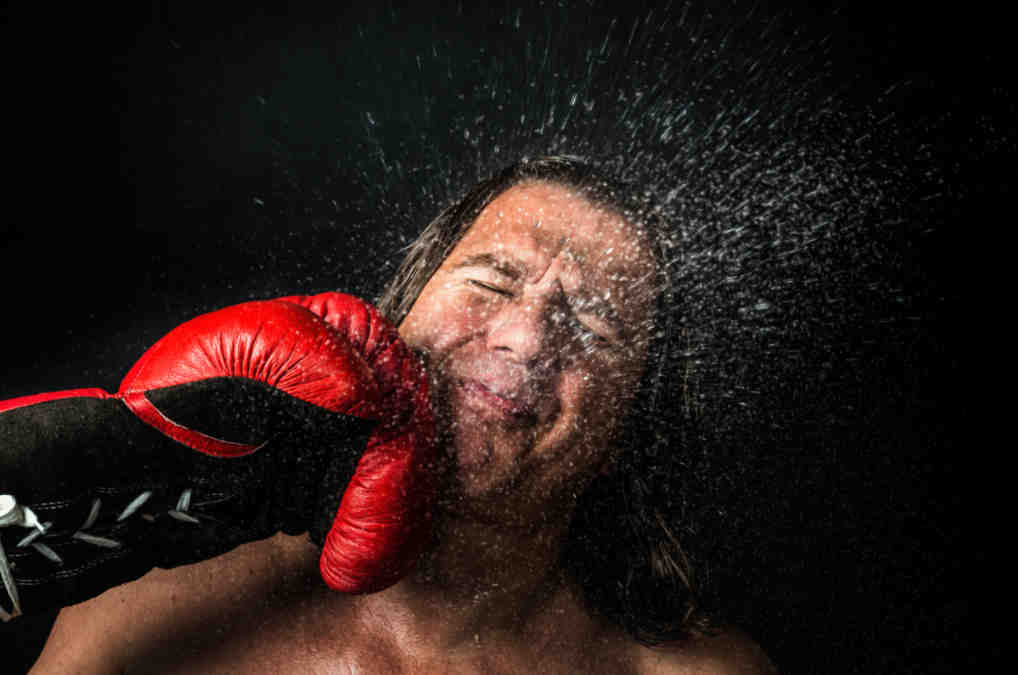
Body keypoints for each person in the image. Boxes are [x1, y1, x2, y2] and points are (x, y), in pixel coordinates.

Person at [27, 156, 776, 673]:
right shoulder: (168, 584)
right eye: (493, 278)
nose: (526, 336)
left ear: (625, 428)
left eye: (595, 326)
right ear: (400, 310)